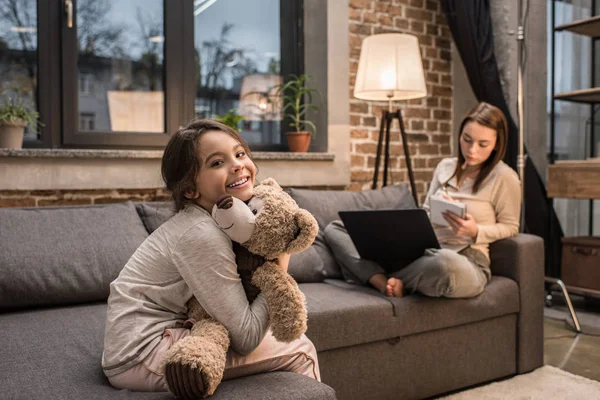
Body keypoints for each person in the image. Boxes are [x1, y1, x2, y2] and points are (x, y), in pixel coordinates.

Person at [102, 119, 320, 393]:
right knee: (301, 348)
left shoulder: (220, 222)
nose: (238, 164)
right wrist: (280, 262)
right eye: (217, 163)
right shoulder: (201, 234)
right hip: (141, 354)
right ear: (191, 190)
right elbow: (247, 336)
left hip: (153, 339)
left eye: (240, 154)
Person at [325, 102, 521, 299]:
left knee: (445, 265)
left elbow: (511, 226)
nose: (472, 150)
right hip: (425, 251)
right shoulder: (445, 167)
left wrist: (475, 231)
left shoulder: (504, 177)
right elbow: (426, 211)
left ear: (496, 144)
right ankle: (382, 282)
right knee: (335, 229)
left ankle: (377, 274)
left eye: (482, 144)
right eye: (467, 139)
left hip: (465, 260)